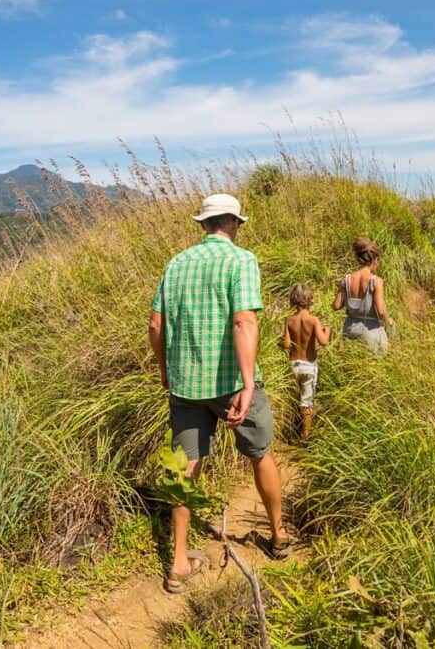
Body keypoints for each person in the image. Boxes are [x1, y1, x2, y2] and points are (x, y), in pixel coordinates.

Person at [148, 193, 290, 594]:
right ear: (234, 224)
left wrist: (165, 371)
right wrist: (247, 384)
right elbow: (244, 321)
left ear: (203, 225)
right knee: (261, 454)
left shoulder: (176, 264)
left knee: (185, 466)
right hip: (231, 382)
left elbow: (156, 326)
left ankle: (177, 562)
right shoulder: (241, 260)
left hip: (185, 384)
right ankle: (277, 535)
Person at [281, 283, 330, 440]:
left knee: (294, 395)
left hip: (294, 364)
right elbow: (323, 342)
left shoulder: (289, 320)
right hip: (309, 365)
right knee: (307, 400)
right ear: (310, 300)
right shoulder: (313, 320)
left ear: (293, 301)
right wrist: (326, 331)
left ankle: (290, 427)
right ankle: (305, 434)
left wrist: (279, 343)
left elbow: (287, 344)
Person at [333, 237, 394, 356]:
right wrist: (388, 321)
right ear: (374, 259)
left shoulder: (347, 279)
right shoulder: (376, 281)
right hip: (370, 333)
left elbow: (336, 306)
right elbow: (381, 312)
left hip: (350, 331)